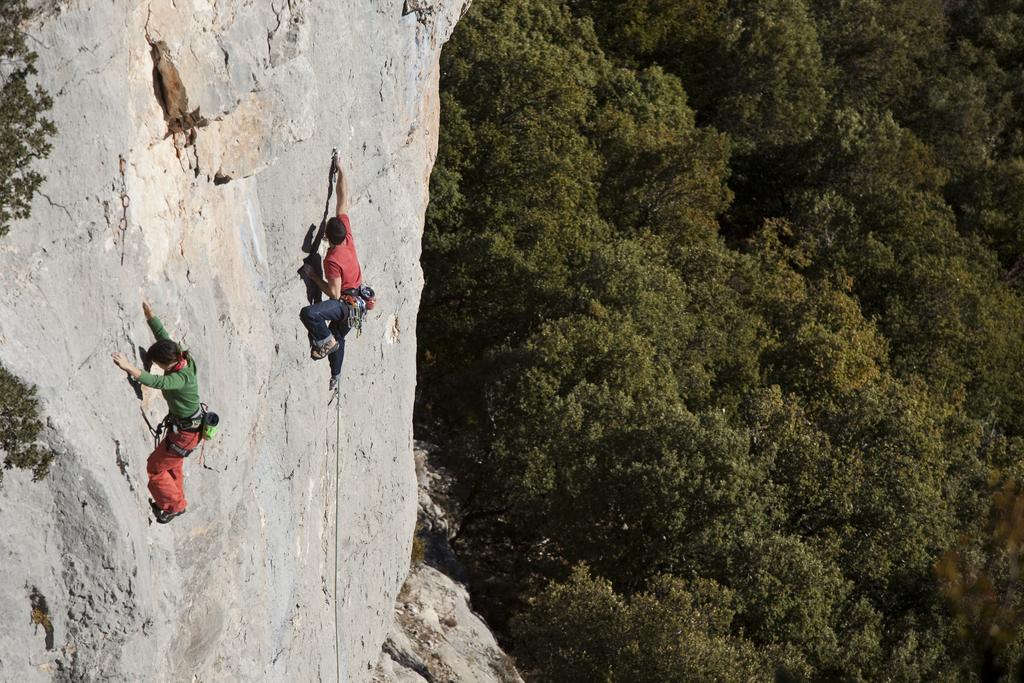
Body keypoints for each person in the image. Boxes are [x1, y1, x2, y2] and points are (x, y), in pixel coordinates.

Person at [112, 301, 202, 524]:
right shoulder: (183, 358)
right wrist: (150, 316)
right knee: (172, 466)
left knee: (155, 468)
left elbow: (155, 381)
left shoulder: (179, 379)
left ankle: (174, 506)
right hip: (186, 431)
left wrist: (129, 367)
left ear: (166, 364)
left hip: (184, 434)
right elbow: (165, 338)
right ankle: (175, 500)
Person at [299, 156, 368, 393]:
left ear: (327, 237)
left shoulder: (332, 259)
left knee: (309, 314)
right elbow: (342, 199)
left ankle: (325, 340)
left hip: (345, 305)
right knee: (339, 339)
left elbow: (334, 292)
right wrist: (341, 171)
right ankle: (336, 375)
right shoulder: (347, 237)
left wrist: (313, 275)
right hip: (357, 306)